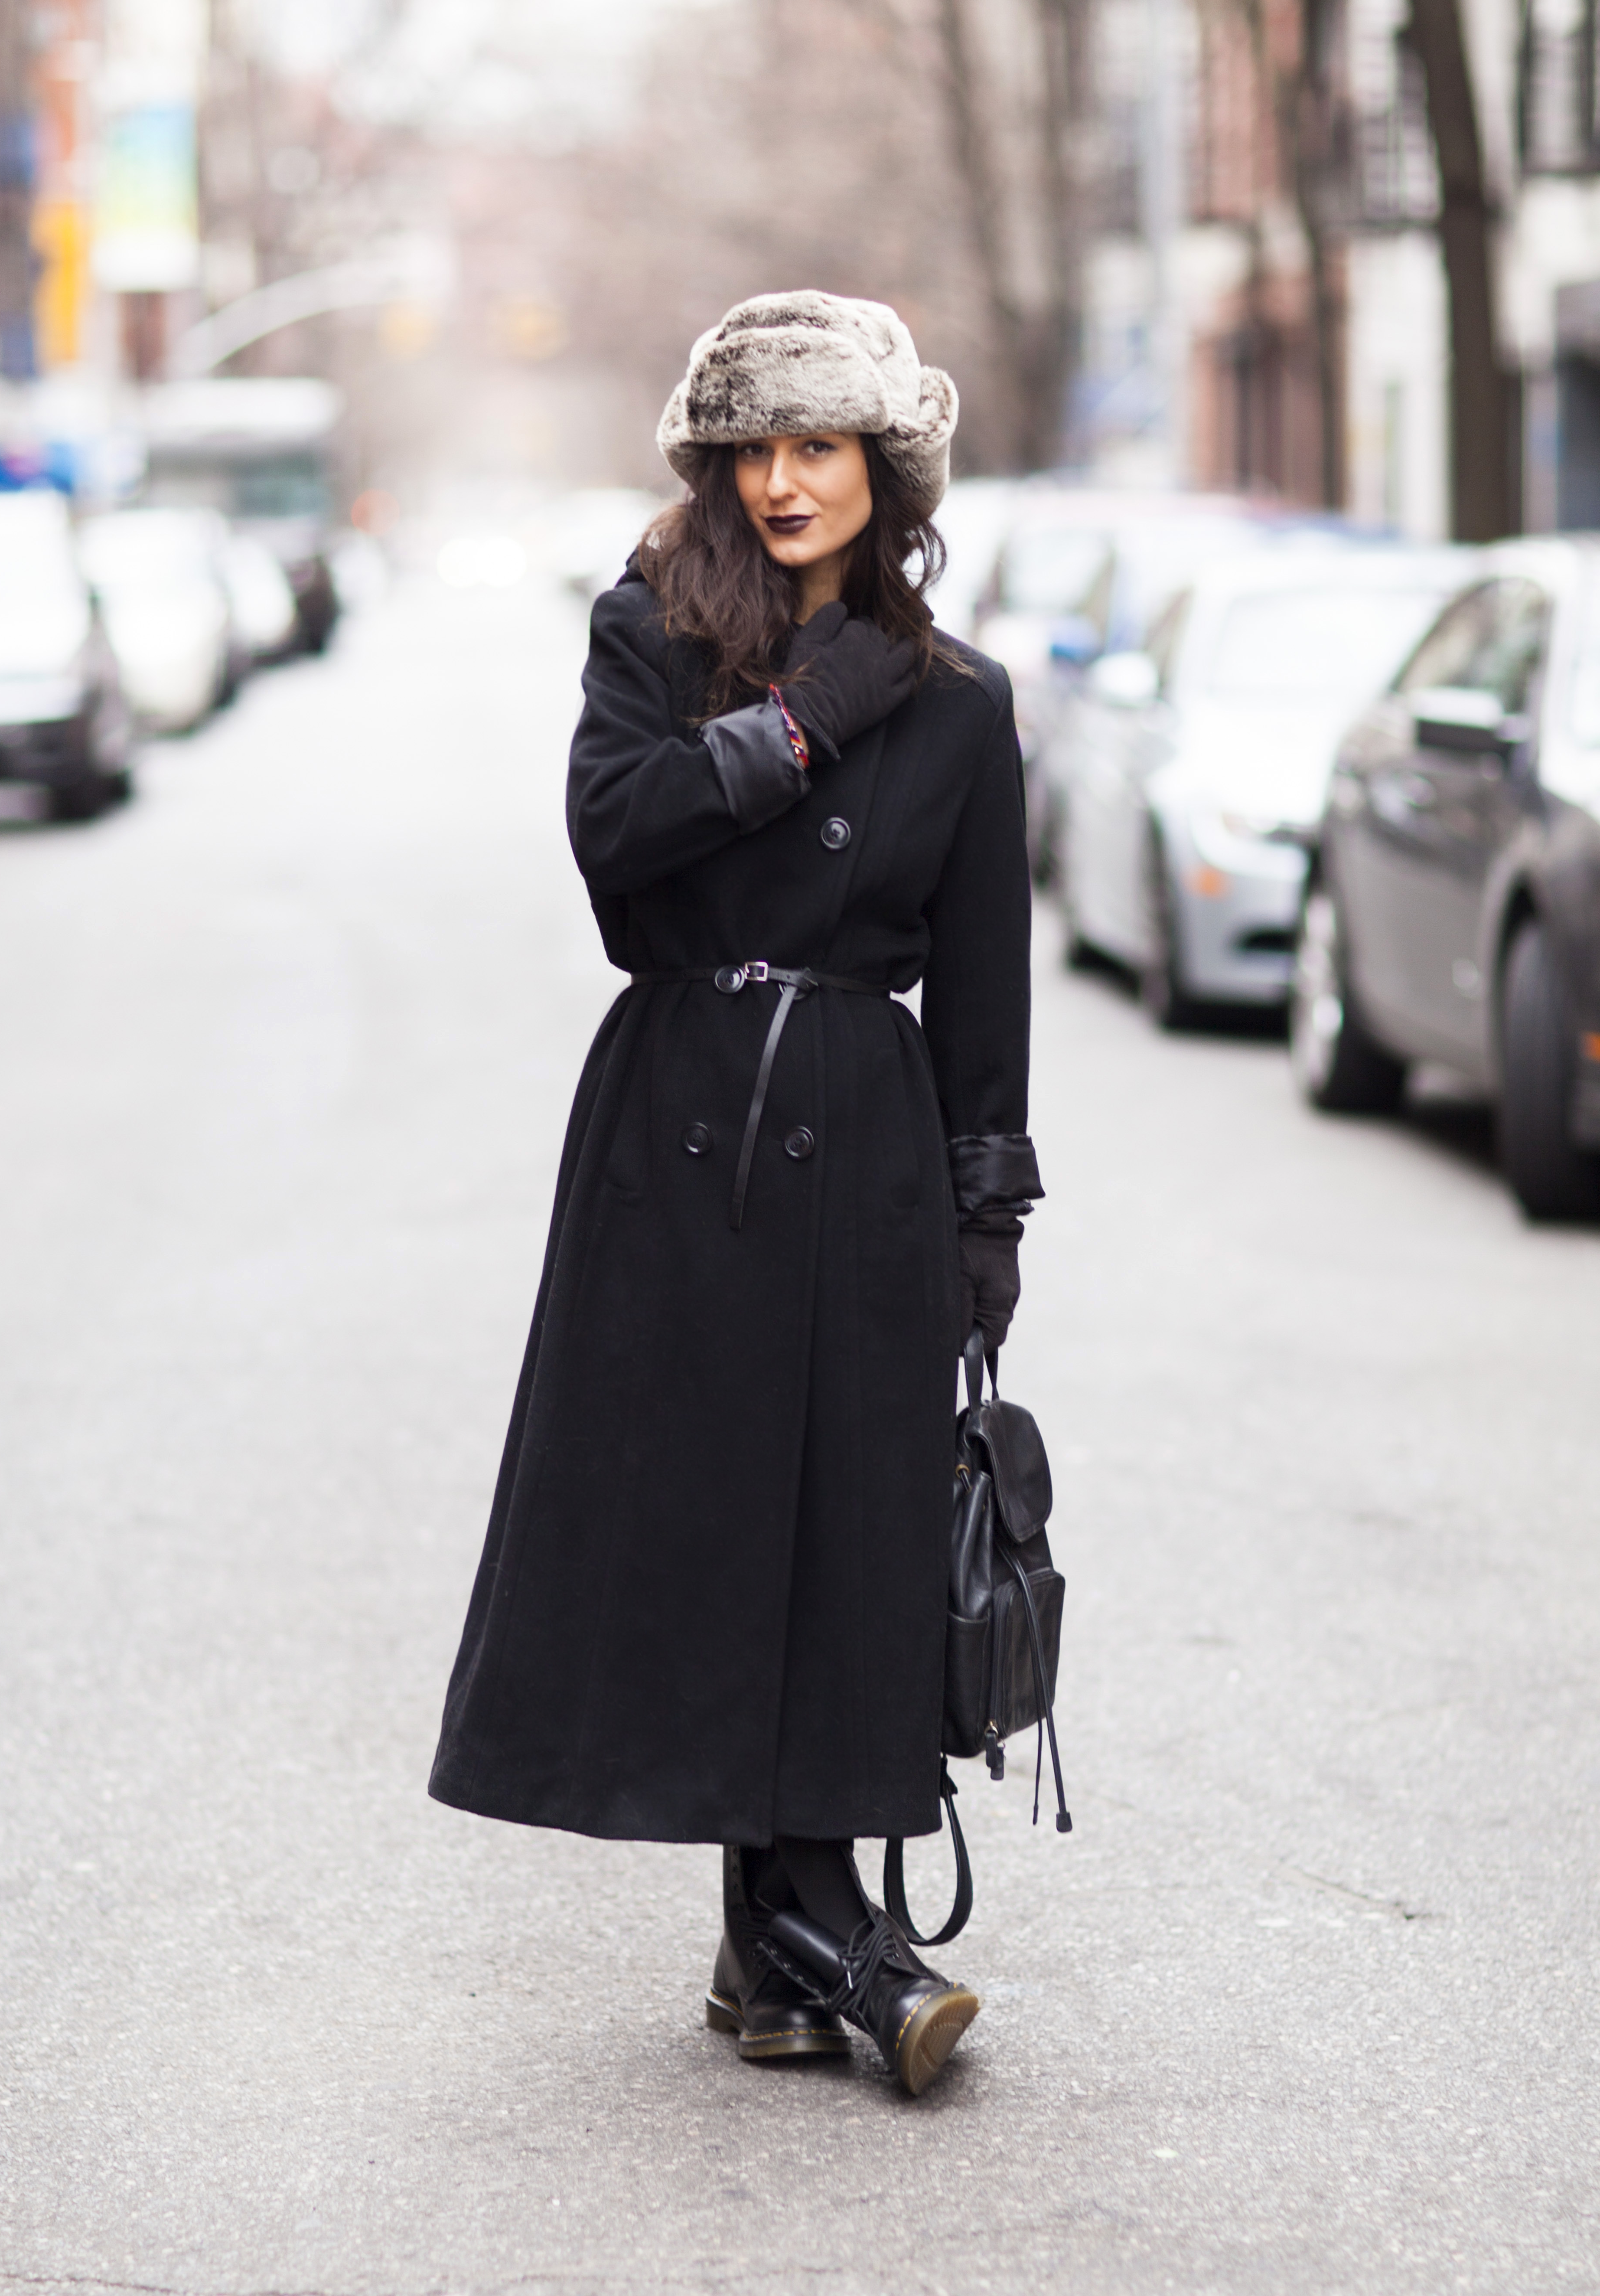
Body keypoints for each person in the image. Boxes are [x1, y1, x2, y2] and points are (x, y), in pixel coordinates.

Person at [430, 291, 1041, 2097]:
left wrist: (985, 1206)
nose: (783, 482)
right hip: (684, 1112)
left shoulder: (963, 704)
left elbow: (988, 981)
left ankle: (784, 1941)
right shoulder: (653, 635)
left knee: (843, 1526)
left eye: (819, 448)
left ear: (883, 470)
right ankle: (818, 1935)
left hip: (864, 1129)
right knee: (710, 1522)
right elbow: (617, 851)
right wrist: (792, 727)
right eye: (754, 450)